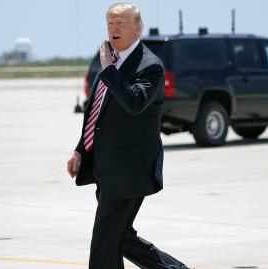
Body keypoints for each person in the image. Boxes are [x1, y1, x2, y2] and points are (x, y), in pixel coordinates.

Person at [66, 2, 190, 269]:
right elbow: (96, 112)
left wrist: (110, 70)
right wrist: (80, 150)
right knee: (122, 240)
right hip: (107, 169)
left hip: (129, 172)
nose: (113, 29)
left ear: (138, 28)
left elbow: (134, 103)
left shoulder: (149, 66)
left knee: (102, 252)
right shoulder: (111, 62)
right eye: (110, 24)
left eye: (120, 23)